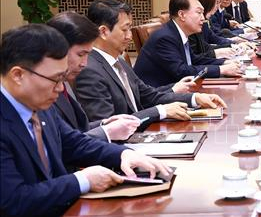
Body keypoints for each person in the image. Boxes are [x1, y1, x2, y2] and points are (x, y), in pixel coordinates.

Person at [0, 24, 171, 216]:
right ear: (18, 75)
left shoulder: (36, 102)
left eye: (63, 78)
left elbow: (73, 143)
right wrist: (82, 180)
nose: (60, 88)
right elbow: (13, 201)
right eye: (55, 79)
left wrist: (123, 154)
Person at [76, 0, 226, 123]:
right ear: (103, 32)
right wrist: (160, 111)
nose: (129, 36)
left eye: (130, 29)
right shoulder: (89, 70)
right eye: (124, 29)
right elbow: (109, 125)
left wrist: (195, 98)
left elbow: (149, 96)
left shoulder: (118, 61)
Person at [46, 11, 140, 142]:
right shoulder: (42, 89)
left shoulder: (62, 82)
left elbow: (75, 130)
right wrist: (106, 132)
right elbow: (60, 143)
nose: (84, 63)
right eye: (80, 54)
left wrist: (104, 124)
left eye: (87, 55)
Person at [134, 0, 243, 89]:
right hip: (159, 95)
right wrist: (221, 70)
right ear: (182, 15)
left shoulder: (177, 33)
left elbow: (194, 60)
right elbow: (181, 71)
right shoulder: (165, 38)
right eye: (199, 12)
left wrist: (225, 62)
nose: (203, 18)